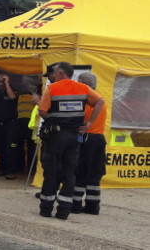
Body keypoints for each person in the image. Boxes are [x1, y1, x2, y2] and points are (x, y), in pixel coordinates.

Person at [37, 62, 104, 220]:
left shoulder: (52, 88)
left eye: (54, 72)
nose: (53, 75)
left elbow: (42, 111)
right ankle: (64, 211)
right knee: (70, 173)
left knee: (52, 171)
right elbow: (100, 101)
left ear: (60, 73)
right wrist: (88, 124)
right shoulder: (83, 88)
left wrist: (52, 117)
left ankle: (46, 208)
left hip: (56, 136)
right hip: (75, 137)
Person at [72, 71, 107, 215]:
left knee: (80, 172)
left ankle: (75, 204)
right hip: (99, 139)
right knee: (94, 175)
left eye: (79, 82)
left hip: (87, 139)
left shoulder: (87, 102)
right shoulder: (100, 101)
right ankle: (93, 206)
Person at [0, 73, 19, 180]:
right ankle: (1, 168)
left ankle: (11, 170)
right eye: (0, 81)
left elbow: (12, 97)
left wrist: (7, 84)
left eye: (3, 81)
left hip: (10, 124)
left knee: (10, 148)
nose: (1, 83)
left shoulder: (12, 91)